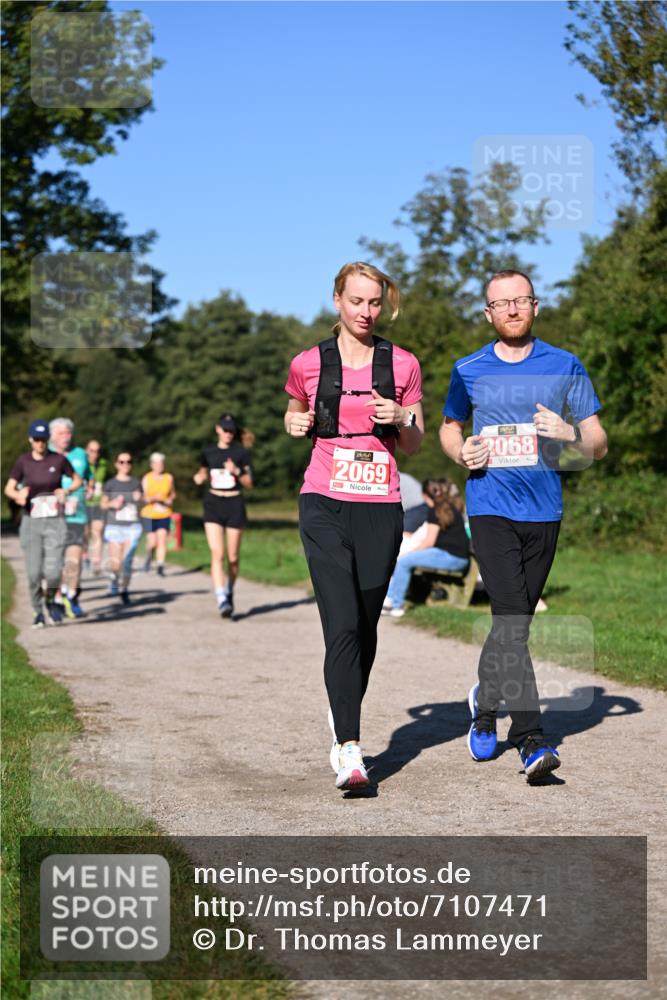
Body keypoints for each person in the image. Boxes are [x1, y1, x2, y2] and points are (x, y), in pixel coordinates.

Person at [440, 269, 607, 781]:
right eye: (501, 303)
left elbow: (597, 444)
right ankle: (531, 739)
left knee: (514, 627)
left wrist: (569, 433)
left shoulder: (565, 364)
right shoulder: (468, 369)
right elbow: (450, 427)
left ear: (535, 305)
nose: (512, 310)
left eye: (521, 300)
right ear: (487, 313)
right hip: (489, 507)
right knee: (513, 620)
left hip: (544, 510)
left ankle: (485, 705)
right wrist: (461, 451)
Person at [284, 261, 424, 791]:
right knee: (341, 622)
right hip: (322, 500)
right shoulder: (308, 362)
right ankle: (348, 747)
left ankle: (340, 707)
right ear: (337, 300)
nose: (366, 312)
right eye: (357, 301)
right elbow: (294, 413)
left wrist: (401, 418)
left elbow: (414, 441)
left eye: (375, 303)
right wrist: (293, 422)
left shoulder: (403, 364)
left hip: (379, 504)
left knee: (365, 627)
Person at [4, 419, 82, 627]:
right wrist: (18, 495)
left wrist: (66, 490)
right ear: (30, 440)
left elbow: (77, 480)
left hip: (55, 520)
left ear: (48, 439)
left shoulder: (58, 460)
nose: (40, 443)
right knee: (33, 573)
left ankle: (51, 601)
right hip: (32, 521)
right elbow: (8, 488)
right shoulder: (23, 462)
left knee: (54, 571)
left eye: (44, 439)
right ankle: (38, 611)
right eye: (37, 440)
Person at [383, 478, 470, 617]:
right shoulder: (448, 507)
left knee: (404, 561)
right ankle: (390, 600)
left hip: (450, 557)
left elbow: (428, 542)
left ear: (424, 495)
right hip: (457, 557)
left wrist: (409, 554)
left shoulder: (435, 511)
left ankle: (395, 604)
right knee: (405, 559)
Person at [193, 415, 253, 618]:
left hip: (234, 503)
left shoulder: (241, 453)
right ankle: (221, 599)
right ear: (217, 429)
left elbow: (249, 483)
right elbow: (202, 472)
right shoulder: (208, 451)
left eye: (231, 430)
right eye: (224, 429)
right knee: (217, 553)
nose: (228, 433)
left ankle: (229, 590)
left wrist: (235, 471)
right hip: (213, 503)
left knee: (233, 558)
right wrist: (199, 477)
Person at [49, 418, 91, 618]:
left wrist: (90, 488)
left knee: (74, 559)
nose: (66, 437)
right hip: (51, 517)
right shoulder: (43, 455)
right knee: (55, 561)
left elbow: (88, 477)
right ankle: (56, 600)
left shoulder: (80, 454)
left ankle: (71, 594)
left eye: (68, 433)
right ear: (51, 435)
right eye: (61, 433)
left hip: (77, 514)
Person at [100, 452, 144, 606]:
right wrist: (112, 504)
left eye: (128, 462)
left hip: (132, 526)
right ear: (116, 464)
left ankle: (124, 590)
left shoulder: (136, 483)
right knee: (116, 562)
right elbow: (103, 504)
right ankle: (113, 576)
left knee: (127, 561)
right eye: (122, 461)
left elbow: (143, 503)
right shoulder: (110, 484)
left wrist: (141, 499)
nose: (125, 464)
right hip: (114, 526)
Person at [141, 452, 176, 577]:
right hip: (149, 514)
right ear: (152, 465)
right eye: (156, 463)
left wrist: (169, 499)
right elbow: (143, 497)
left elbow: (173, 493)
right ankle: (148, 557)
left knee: (162, 540)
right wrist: (153, 498)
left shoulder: (168, 477)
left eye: (161, 463)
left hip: (164, 513)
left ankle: (160, 566)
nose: (159, 466)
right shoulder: (147, 478)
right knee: (152, 542)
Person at [84, 439, 108, 575]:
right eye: (92, 451)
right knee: (85, 533)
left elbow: (108, 483)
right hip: (84, 504)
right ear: (87, 450)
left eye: (97, 451)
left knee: (97, 532)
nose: (95, 454)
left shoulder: (103, 464)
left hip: (98, 503)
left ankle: (96, 562)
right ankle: (85, 555)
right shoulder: (82, 464)